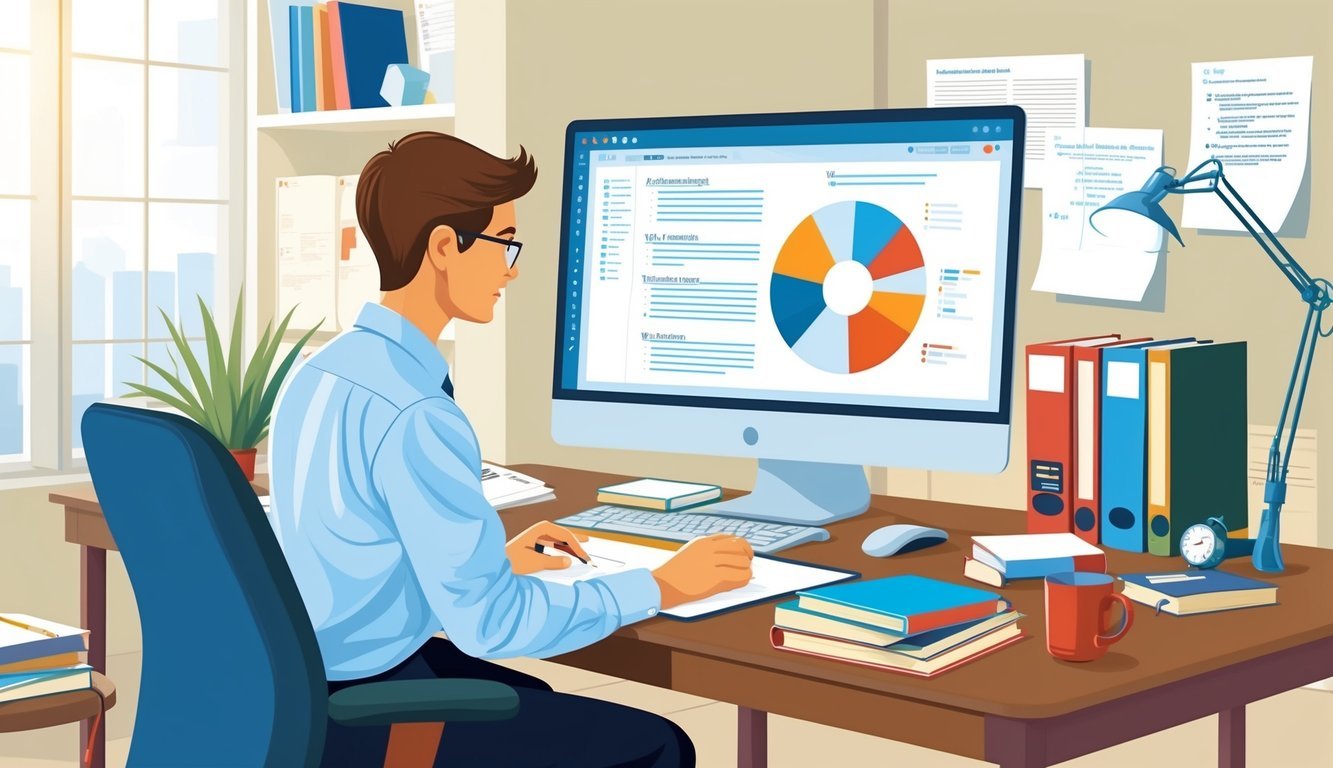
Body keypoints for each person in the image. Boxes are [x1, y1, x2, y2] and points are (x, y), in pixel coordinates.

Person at [268, 131, 754, 767]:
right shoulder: (416, 412)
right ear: (445, 246)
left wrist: (491, 563)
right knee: (660, 745)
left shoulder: (322, 370)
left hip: (312, 679)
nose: (513, 267)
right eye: (504, 243)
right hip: (361, 703)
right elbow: (490, 626)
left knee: (530, 696)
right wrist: (662, 584)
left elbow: (347, 551)